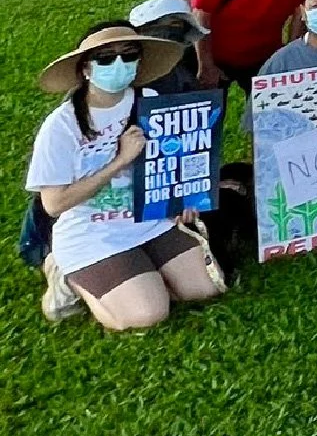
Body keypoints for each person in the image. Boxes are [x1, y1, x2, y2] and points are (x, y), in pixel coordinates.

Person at [27, 23, 222, 329]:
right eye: (105, 58)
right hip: (92, 233)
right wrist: (119, 162)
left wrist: (184, 197)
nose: (118, 64)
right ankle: (66, 274)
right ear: (86, 70)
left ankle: (141, 276)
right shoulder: (62, 125)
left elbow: (175, 160)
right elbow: (53, 204)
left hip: (150, 219)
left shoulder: (152, 100)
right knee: (147, 315)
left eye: (128, 55)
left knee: (203, 290)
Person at [127, 0, 208, 95]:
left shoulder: (188, 64)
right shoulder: (127, 69)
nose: (175, 30)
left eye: (177, 24)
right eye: (172, 24)